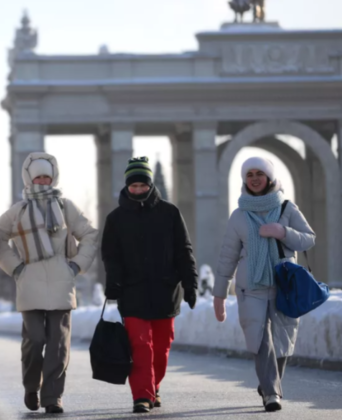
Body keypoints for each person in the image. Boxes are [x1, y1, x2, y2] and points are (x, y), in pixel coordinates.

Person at [0, 152, 99, 414]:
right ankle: (32, 386)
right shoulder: (18, 211)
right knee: (35, 339)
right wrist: (16, 268)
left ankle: (53, 396)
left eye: (47, 176)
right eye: (38, 176)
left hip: (62, 284)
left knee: (59, 343)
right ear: (29, 178)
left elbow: (89, 235)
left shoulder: (66, 207)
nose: (43, 180)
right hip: (29, 284)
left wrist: (76, 265)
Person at [213, 157, 315, 412]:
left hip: (284, 285)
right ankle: (271, 392)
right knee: (260, 339)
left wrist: (283, 232)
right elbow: (228, 256)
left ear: (269, 178)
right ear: (245, 180)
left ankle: (271, 381)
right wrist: (219, 294)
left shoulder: (287, 208)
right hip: (251, 288)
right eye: (250, 174)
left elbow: (308, 239)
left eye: (259, 173)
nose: (254, 178)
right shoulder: (238, 215)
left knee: (283, 338)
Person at [102, 156, 198, 414]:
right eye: (133, 186)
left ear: (150, 185)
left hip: (166, 291)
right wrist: (113, 283)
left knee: (162, 347)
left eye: (142, 185)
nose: (137, 190)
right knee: (140, 345)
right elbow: (110, 256)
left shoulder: (170, 213)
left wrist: (191, 284)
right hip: (132, 292)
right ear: (127, 186)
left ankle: (153, 385)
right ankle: (142, 396)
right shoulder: (116, 218)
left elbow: (184, 251)